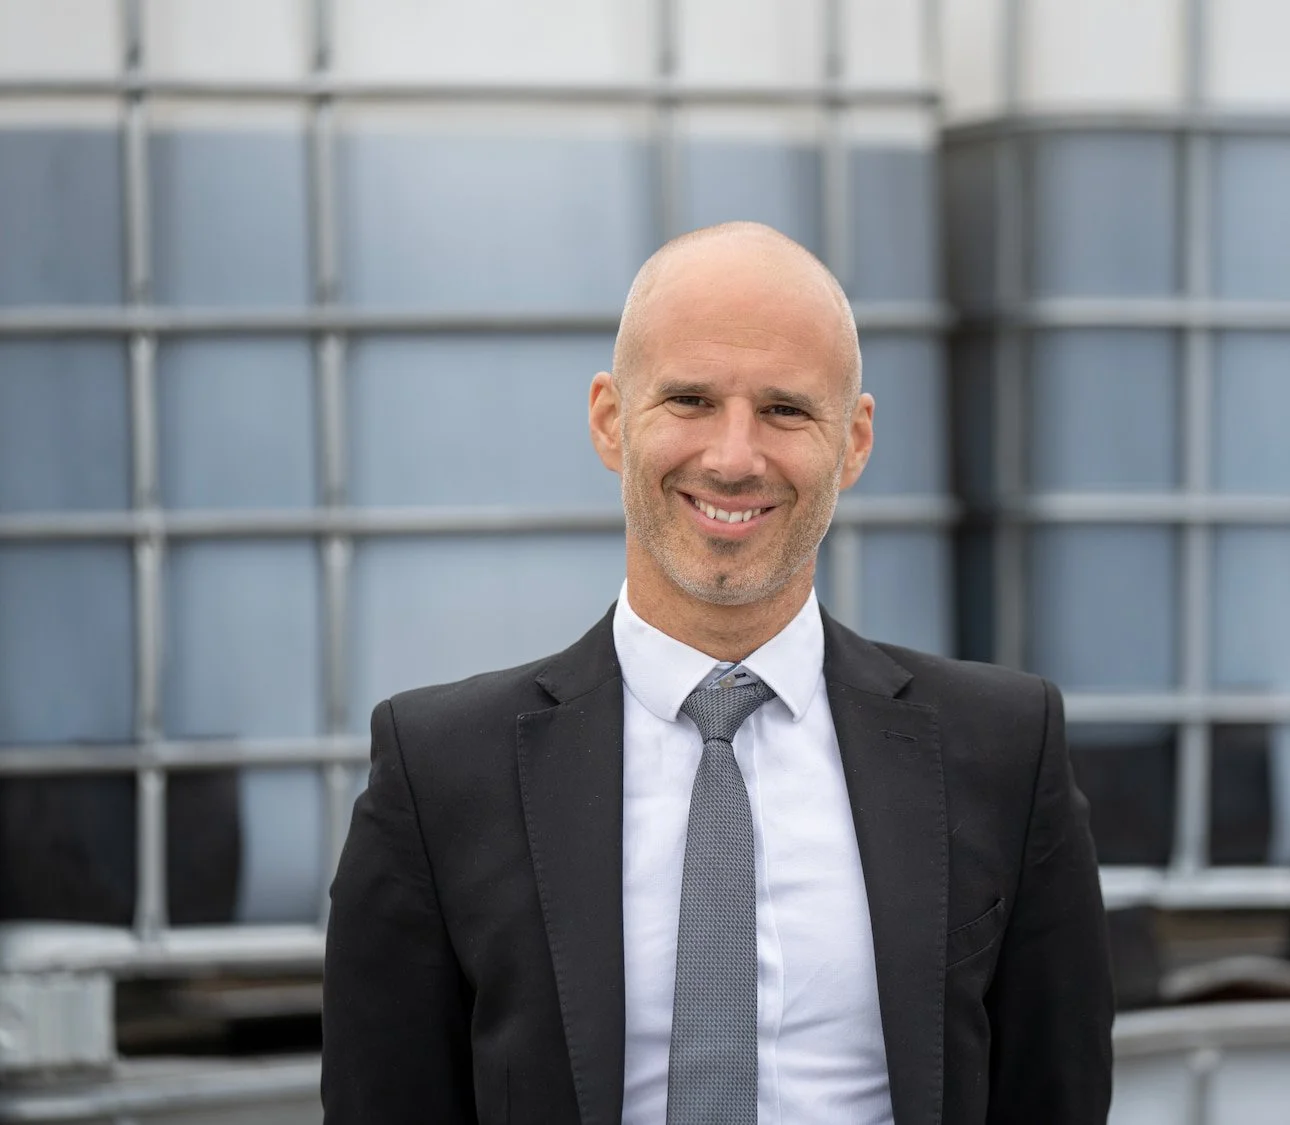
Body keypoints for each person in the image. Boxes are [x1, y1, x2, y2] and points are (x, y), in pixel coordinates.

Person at [321, 221, 1113, 1125]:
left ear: (853, 442)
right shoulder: (441, 771)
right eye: (691, 400)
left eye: (785, 409)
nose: (734, 458)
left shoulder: (1005, 750)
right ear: (611, 419)